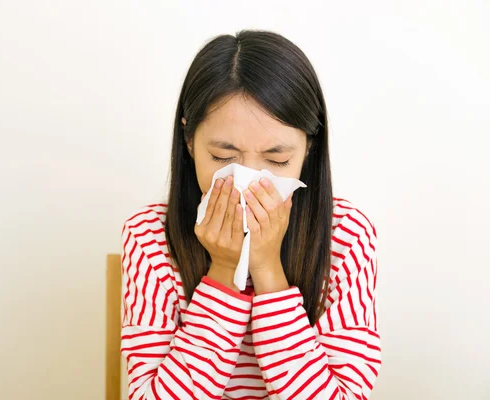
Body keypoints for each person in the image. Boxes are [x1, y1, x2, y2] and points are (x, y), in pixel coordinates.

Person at [120, 29, 380, 399]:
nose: (248, 180)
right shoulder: (148, 238)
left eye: (277, 160)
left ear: (308, 149)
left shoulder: (348, 236)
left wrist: (268, 269)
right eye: (224, 158)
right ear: (190, 141)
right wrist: (224, 271)